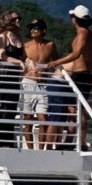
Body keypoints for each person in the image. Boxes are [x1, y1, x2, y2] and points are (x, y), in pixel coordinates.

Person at [57, 5, 92, 150]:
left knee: (76, 109)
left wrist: (55, 62)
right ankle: (77, 140)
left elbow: (76, 54)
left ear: (76, 19)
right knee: (78, 108)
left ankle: (78, 141)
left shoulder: (83, 34)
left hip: (80, 75)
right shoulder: (89, 35)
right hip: (84, 74)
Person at [21, 18, 61, 150]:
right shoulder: (26, 46)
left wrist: (53, 72)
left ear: (43, 30)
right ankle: (31, 149)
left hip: (43, 84)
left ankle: (40, 150)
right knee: (27, 118)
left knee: (43, 119)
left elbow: (57, 62)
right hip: (28, 82)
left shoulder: (50, 45)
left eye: (36, 28)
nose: (33, 30)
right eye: (31, 28)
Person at [0, 10, 26, 148]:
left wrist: (29, 61)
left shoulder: (19, 37)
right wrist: (18, 62)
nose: (18, 21)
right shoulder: (3, 36)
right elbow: (2, 56)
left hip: (15, 78)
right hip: (5, 77)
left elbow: (24, 56)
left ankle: (9, 140)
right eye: (15, 19)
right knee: (4, 108)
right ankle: (2, 141)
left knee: (12, 109)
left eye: (19, 19)